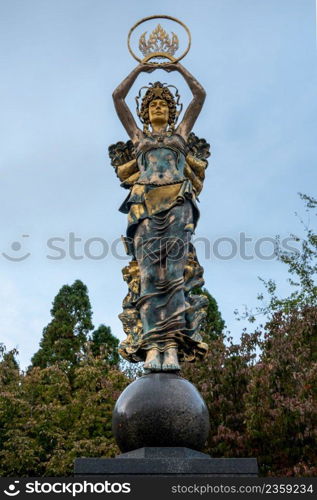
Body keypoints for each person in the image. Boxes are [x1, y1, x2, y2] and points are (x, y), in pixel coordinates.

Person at [111, 62, 209, 372]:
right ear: (144, 111)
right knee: (150, 276)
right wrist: (139, 70)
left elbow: (199, 95)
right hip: (144, 206)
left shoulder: (181, 133)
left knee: (174, 276)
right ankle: (153, 346)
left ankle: (172, 348)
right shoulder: (139, 137)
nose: (157, 107)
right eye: (152, 104)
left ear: (171, 110)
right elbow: (117, 97)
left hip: (178, 202)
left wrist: (179, 68)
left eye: (163, 104)